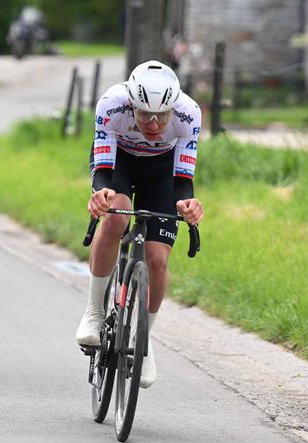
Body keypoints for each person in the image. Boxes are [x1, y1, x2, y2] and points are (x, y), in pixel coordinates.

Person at [76, 60, 204, 388]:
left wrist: (188, 206)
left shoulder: (189, 114)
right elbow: (104, 169)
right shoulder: (111, 104)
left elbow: (182, 181)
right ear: (131, 104)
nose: (153, 123)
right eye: (145, 114)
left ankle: (144, 343)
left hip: (162, 171)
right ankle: (94, 311)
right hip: (119, 161)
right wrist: (100, 193)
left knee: (158, 260)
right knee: (116, 213)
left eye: (162, 115)